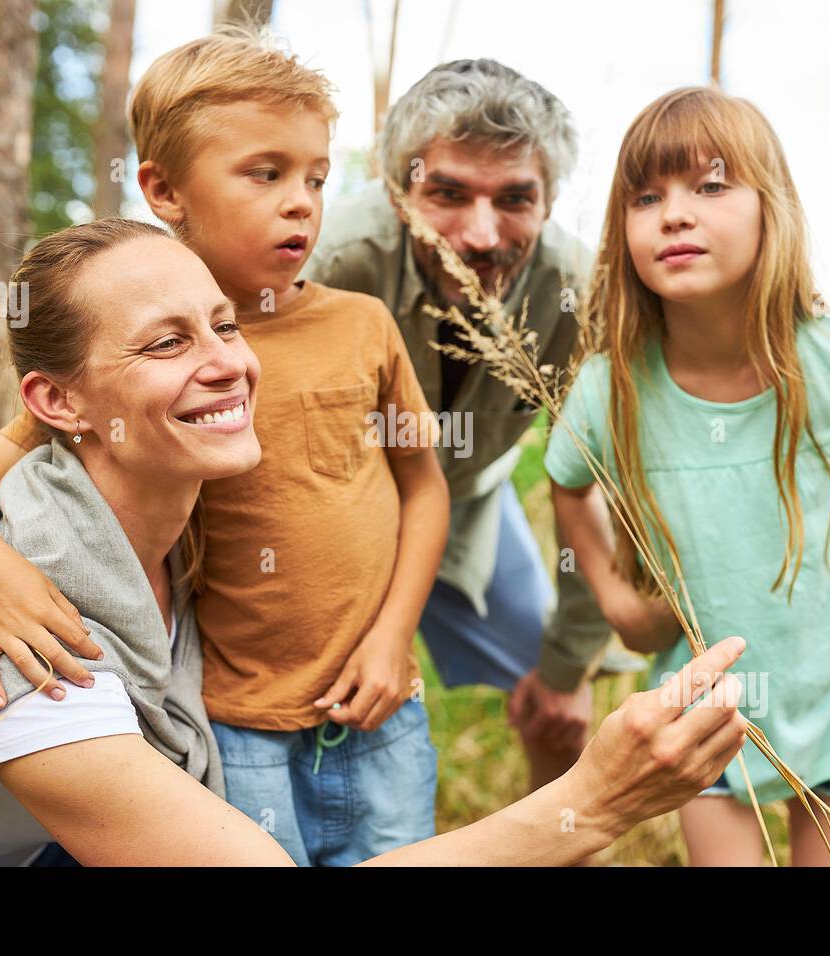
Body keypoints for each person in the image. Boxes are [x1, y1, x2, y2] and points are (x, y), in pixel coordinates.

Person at [0, 220, 751, 867]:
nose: (229, 364)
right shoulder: (37, 644)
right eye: (166, 342)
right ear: (60, 402)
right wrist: (597, 797)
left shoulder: (168, 513)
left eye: (225, 324)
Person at [0, 30, 451, 867]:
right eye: (264, 173)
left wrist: (396, 634)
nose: (302, 201)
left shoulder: (364, 325)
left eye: (316, 175)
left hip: (382, 707)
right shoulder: (128, 354)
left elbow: (423, 487)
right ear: (163, 189)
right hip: (230, 724)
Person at [545, 86, 830, 866]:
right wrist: (618, 605)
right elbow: (569, 483)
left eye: (710, 185)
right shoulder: (611, 388)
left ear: (774, 209)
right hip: (708, 723)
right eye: (646, 196)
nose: (674, 214)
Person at [305, 59, 634, 795]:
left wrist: (568, 664)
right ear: (398, 191)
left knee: (561, 710)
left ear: (549, 203)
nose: (480, 236)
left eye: (515, 198)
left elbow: (602, 486)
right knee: (302, 713)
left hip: (469, 507)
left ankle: (557, 847)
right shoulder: (327, 261)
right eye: (447, 194)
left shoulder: (585, 296)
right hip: (324, 523)